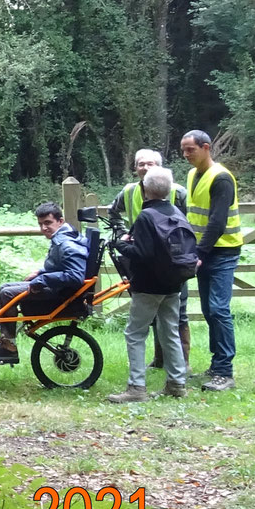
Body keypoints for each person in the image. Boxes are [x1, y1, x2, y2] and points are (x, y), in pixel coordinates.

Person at [106, 166, 195, 402]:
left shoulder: (146, 216)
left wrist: (120, 245)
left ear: (145, 189)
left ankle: (136, 388)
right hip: (174, 284)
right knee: (169, 332)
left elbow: (142, 253)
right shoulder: (176, 211)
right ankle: (176, 384)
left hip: (148, 286)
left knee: (135, 333)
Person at [0, 202, 88, 365]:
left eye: (48, 223)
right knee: (5, 287)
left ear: (60, 221)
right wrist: (40, 273)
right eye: (40, 224)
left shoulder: (66, 243)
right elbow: (60, 266)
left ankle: (9, 348)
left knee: (7, 293)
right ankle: (5, 341)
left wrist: (42, 280)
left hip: (60, 294)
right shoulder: (63, 237)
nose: (43, 228)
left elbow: (76, 275)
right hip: (57, 287)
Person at [181, 130, 243, 392]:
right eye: (183, 150)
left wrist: (199, 255)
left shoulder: (222, 179)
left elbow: (217, 222)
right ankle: (216, 364)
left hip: (222, 251)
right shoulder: (193, 174)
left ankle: (225, 372)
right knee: (209, 310)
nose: (186, 155)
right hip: (203, 251)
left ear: (206, 148)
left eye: (190, 150)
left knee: (218, 310)